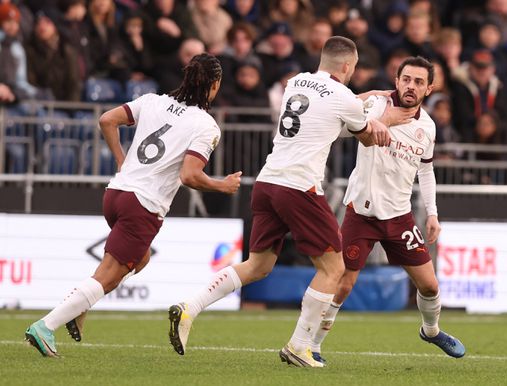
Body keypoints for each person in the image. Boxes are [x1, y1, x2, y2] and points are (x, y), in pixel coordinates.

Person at [167, 36, 392, 368]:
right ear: (348, 66)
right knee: (334, 269)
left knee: (258, 265)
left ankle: (190, 307)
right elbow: (367, 136)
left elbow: (328, 112)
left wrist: (362, 103)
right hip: (299, 187)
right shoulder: (345, 98)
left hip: (268, 181)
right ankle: (299, 346)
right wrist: (381, 118)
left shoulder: (295, 82)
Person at [24, 53, 242, 357]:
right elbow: (190, 175)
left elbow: (106, 119)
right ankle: (45, 326)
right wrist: (222, 185)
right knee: (108, 275)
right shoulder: (205, 125)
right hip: (143, 205)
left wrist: (120, 160)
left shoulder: (152, 100)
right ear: (214, 85)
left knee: (140, 260)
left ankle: (78, 305)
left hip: (116, 194)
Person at [310, 56, 466, 365]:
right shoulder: (376, 107)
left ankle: (431, 330)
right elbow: (341, 127)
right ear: (396, 81)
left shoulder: (428, 126)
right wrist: (367, 103)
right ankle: (312, 345)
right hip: (362, 213)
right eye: (406, 79)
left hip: (399, 216)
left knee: (430, 285)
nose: (411, 86)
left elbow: (426, 170)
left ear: (429, 88)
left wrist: (432, 213)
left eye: (419, 82)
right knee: (343, 283)